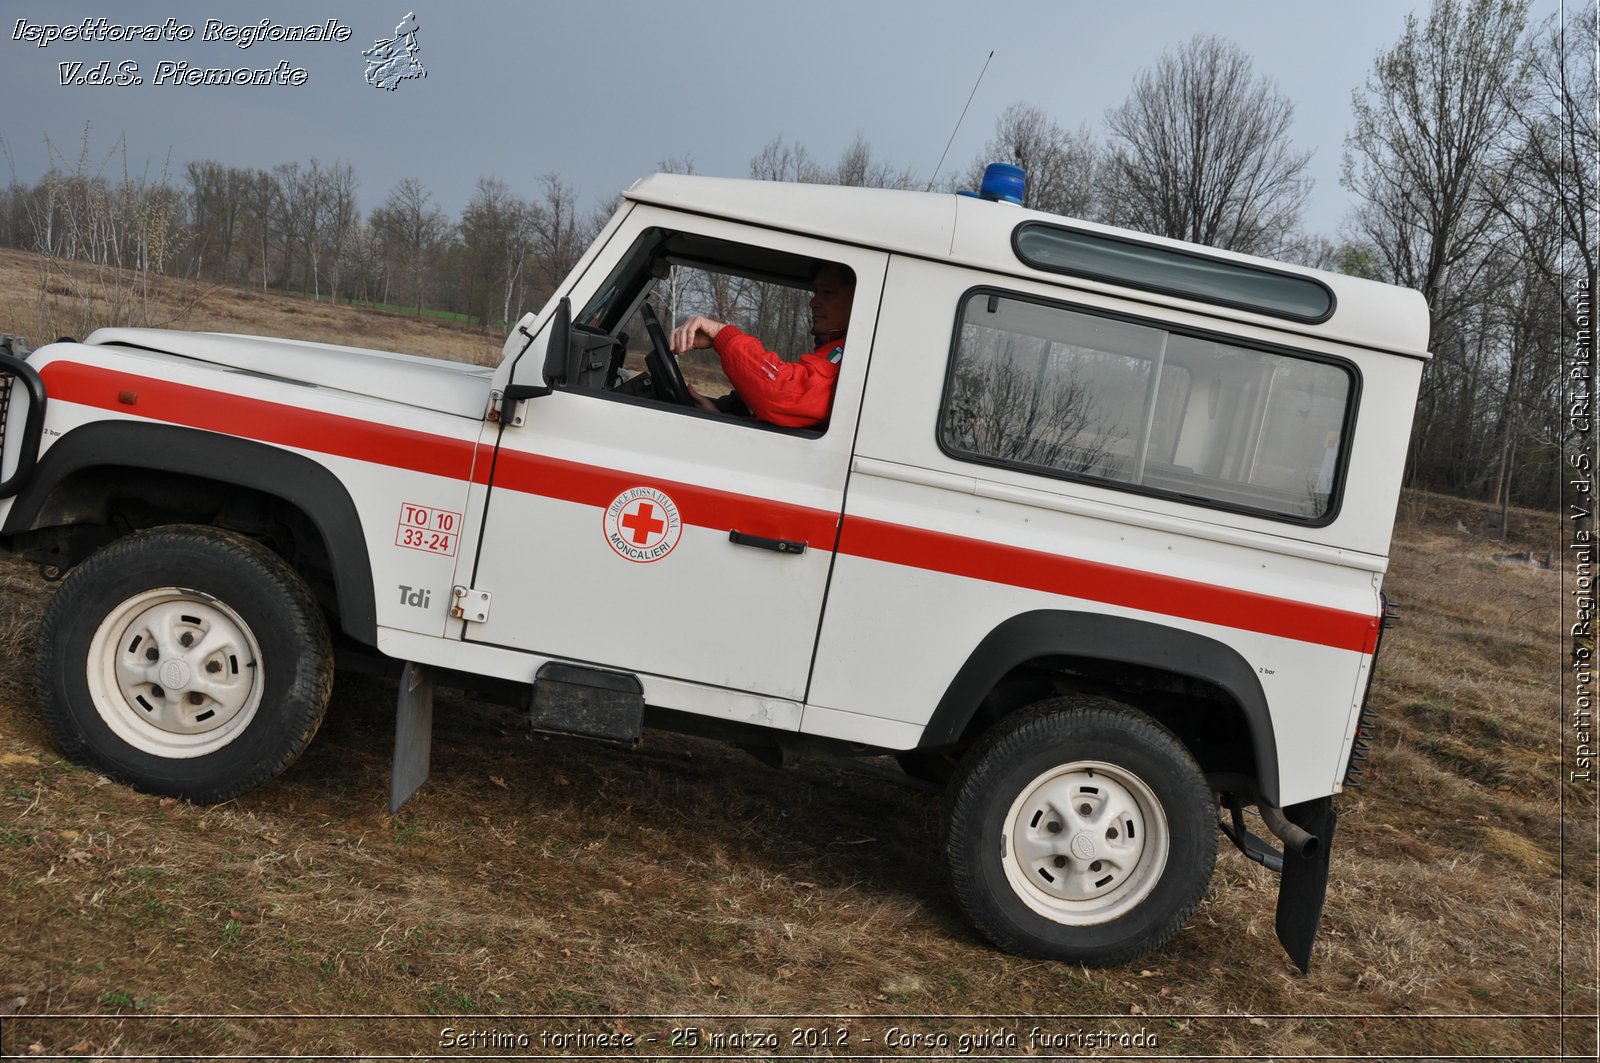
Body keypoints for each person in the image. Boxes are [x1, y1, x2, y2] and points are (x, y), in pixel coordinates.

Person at [667, 262, 854, 428]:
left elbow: (786, 394)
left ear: (857, 301)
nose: (813, 302)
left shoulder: (850, 354)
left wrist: (721, 334)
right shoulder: (836, 350)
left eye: (828, 293)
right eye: (816, 292)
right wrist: (722, 418)